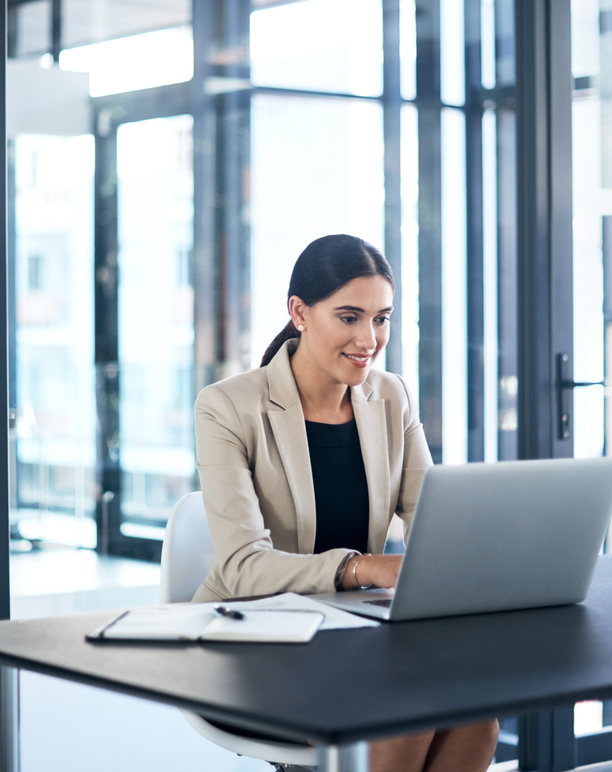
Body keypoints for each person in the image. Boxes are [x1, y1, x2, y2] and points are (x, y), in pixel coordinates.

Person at [192, 234, 499, 772]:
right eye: (351, 317)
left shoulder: (391, 396)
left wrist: (487, 551)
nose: (370, 338)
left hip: (353, 631)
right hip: (253, 637)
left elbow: (435, 520)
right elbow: (241, 568)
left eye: (382, 318)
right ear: (299, 312)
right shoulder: (228, 407)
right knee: (404, 712)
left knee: (479, 717)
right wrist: (364, 567)